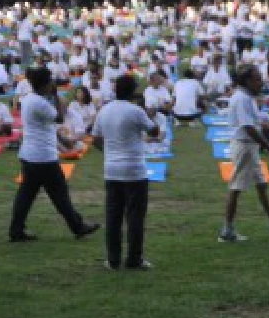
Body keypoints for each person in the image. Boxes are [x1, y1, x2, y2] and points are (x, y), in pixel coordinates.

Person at [8, 66, 100, 243]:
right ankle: (78, 226)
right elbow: (59, 117)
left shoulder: (28, 99)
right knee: (59, 195)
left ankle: (16, 230)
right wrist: (56, 96)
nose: (52, 84)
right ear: (45, 84)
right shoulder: (41, 103)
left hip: (30, 154)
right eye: (50, 81)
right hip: (43, 157)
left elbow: (47, 125)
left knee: (26, 196)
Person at [219, 64, 269, 242]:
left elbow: (254, 120)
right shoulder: (242, 99)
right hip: (245, 146)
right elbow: (248, 127)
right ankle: (227, 230)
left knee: (261, 185)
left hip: (250, 147)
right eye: (257, 79)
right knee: (236, 187)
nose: (261, 82)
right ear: (247, 81)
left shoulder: (247, 97)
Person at [92, 74, 159, 270]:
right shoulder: (136, 111)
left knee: (113, 217)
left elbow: (95, 138)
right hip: (134, 171)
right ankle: (134, 259)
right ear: (132, 91)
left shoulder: (104, 111)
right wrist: (148, 114)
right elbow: (153, 131)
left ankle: (113, 260)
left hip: (112, 170)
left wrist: (110, 153)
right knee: (135, 216)